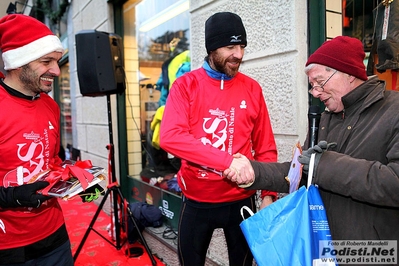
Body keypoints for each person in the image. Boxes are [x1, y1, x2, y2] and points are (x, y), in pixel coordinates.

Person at [226, 36, 399, 246]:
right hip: (323, 246)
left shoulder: (393, 110)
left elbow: (394, 183)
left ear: (349, 73)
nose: (316, 92)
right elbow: (299, 173)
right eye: (312, 85)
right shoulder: (326, 118)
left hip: (372, 252)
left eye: (320, 82)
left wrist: (325, 164)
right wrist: (254, 172)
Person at [160, 12, 278, 266]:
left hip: (241, 200)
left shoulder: (252, 88)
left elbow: (266, 147)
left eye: (242, 47)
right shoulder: (185, 85)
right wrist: (227, 162)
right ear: (212, 48)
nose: (239, 54)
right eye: (230, 47)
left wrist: (268, 195)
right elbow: (170, 137)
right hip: (197, 201)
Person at [0, 14, 74, 265]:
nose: (56, 69)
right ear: (18, 62)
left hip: (55, 233)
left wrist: (75, 178)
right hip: (8, 245)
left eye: (56, 61)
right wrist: (12, 196)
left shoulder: (51, 106)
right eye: (46, 61)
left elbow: (51, 160)